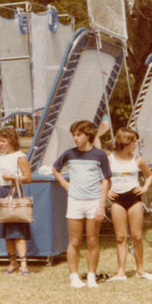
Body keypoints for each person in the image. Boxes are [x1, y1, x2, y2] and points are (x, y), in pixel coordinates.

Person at [52, 120, 111, 288]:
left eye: (78, 135)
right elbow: (55, 168)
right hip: (75, 202)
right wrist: (64, 184)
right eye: (74, 135)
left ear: (88, 136)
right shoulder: (69, 154)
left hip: (94, 202)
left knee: (93, 240)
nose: (75, 138)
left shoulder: (100, 155)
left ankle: (91, 275)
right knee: (75, 240)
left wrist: (101, 204)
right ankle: (74, 276)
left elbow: (106, 181)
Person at [106, 127, 152, 281]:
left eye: (136, 141)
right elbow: (102, 178)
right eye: (133, 141)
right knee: (121, 237)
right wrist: (107, 191)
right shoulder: (110, 159)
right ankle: (121, 273)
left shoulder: (137, 159)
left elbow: (150, 175)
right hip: (117, 199)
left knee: (137, 236)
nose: (136, 144)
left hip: (134, 199)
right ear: (124, 141)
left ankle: (140, 270)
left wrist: (144, 189)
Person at [0, 127, 32, 275]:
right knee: (6, 231)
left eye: (3, 141)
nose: (0, 144)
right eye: (0, 141)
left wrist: (12, 178)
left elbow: (28, 177)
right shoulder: (1, 158)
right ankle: (12, 262)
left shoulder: (20, 156)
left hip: (15, 194)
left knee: (18, 232)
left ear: (11, 141)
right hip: (3, 193)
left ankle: (24, 264)